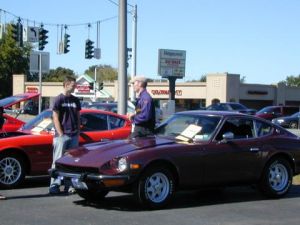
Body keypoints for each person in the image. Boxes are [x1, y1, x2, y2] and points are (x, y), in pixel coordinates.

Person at [49, 76, 81, 195]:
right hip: (61, 136)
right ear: (66, 84)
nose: (75, 87)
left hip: (74, 135)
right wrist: (61, 134)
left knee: (72, 162)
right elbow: (55, 117)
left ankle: (70, 185)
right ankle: (54, 185)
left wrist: (78, 130)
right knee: (57, 161)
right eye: (73, 85)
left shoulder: (75, 100)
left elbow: (78, 116)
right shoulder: (58, 99)